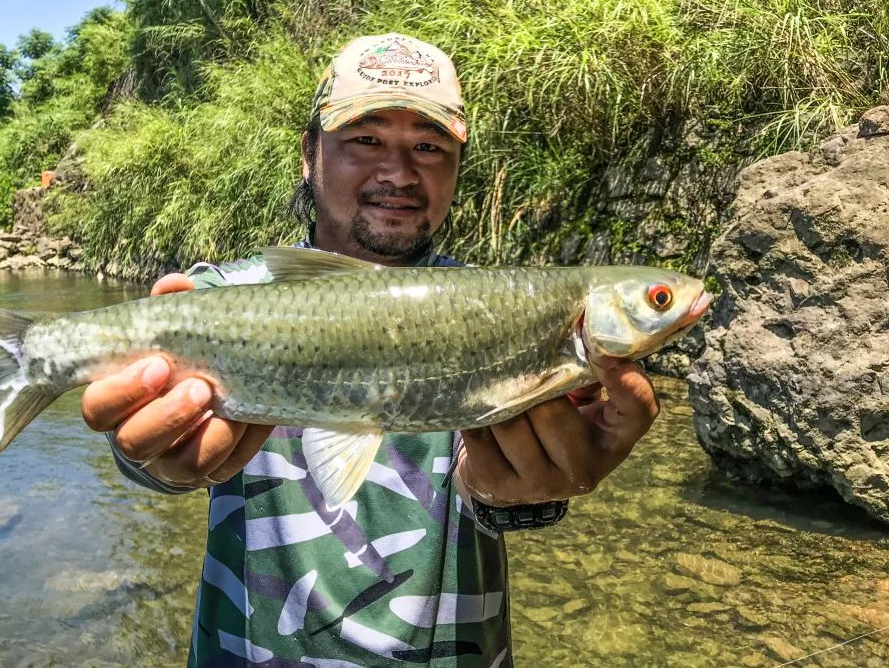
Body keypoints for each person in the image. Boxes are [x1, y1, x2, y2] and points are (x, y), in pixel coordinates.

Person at [81, 34, 658, 666]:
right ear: (310, 154)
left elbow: (499, 492)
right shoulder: (219, 299)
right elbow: (144, 456)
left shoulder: (500, 311)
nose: (399, 172)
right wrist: (151, 456)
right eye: (366, 140)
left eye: (429, 147)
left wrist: (528, 499)